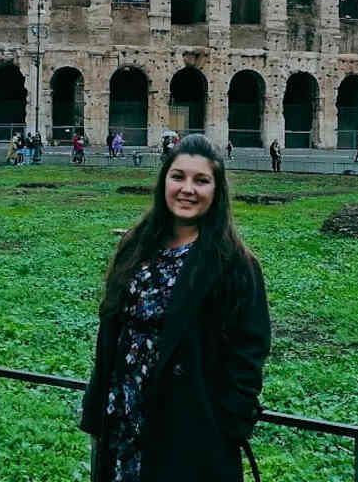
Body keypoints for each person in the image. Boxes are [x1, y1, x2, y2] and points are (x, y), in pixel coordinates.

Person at [80, 134, 270, 482]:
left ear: (217, 191)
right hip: (125, 415)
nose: (187, 189)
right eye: (178, 176)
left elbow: (251, 350)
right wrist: (96, 410)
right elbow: (110, 331)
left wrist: (230, 423)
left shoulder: (233, 263)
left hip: (192, 429)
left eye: (201, 180)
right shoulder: (135, 245)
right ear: (164, 181)